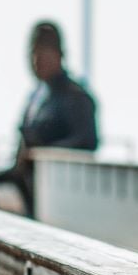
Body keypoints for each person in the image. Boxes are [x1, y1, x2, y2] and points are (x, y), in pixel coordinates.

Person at [10, 20, 99, 209]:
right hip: (31, 190)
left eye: (42, 53)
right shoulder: (37, 96)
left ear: (58, 55)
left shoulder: (75, 97)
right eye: (32, 53)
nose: (36, 61)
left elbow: (87, 142)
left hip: (63, 197)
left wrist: (43, 153)